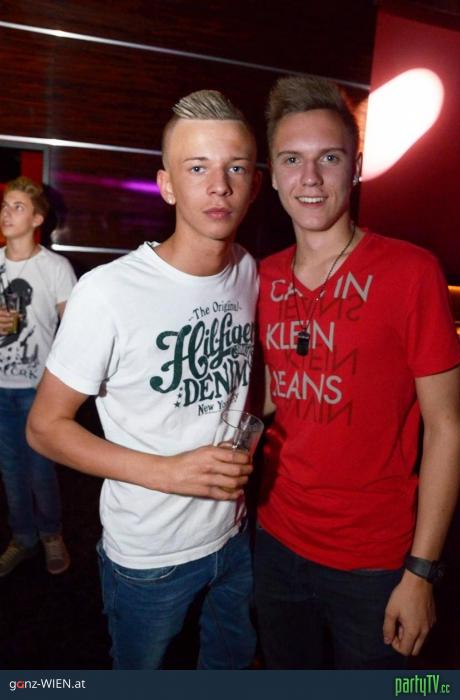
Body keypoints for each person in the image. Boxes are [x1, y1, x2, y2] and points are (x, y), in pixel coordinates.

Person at [27, 90, 261, 669]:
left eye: (235, 168)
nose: (219, 186)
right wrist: (168, 471)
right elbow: (45, 428)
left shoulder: (247, 270)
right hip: (149, 553)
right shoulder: (107, 291)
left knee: (230, 664)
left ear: (254, 184)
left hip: (233, 535)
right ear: (167, 186)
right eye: (197, 168)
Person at [254, 74, 460, 669]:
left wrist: (421, 572)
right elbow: (272, 397)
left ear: (357, 168)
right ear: (274, 176)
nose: (310, 177)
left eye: (329, 158)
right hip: (274, 541)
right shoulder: (260, 276)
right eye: (292, 160)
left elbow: (447, 427)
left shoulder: (411, 272)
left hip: (374, 562)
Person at [0, 176, 76, 577]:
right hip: (0, 389)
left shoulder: (55, 268)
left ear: (37, 219)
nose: (6, 213)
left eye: (18, 207)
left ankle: (51, 535)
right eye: (4, 205)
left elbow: (77, 330)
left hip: (38, 388)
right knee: (10, 469)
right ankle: (22, 538)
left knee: (41, 468)